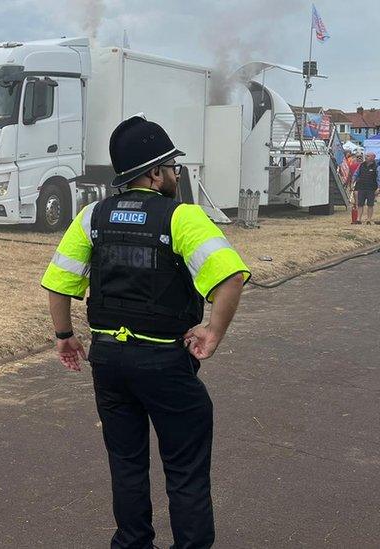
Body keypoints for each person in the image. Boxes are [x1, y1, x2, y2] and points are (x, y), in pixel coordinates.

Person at [41, 116, 250, 548]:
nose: (176, 174)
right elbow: (229, 276)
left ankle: (132, 542)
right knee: (185, 469)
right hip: (165, 364)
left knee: (126, 463)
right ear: (155, 174)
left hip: (109, 362)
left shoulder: (92, 216)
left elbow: (58, 282)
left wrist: (64, 335)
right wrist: (213, 332)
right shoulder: (182, 218)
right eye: (172, 166)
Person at [351, 152, 378, 225]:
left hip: (371, 188)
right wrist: (353, 179)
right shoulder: (361, 165)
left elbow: (378, 178)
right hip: (361, 187)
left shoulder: (376, 166)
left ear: (373, 157)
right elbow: (356, 173)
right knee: (360, 204)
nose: (366, 157)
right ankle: (358, 219)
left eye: (368, 156)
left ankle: (369, 220)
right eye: (366, 156)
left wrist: (378, 188)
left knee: (370, 205)